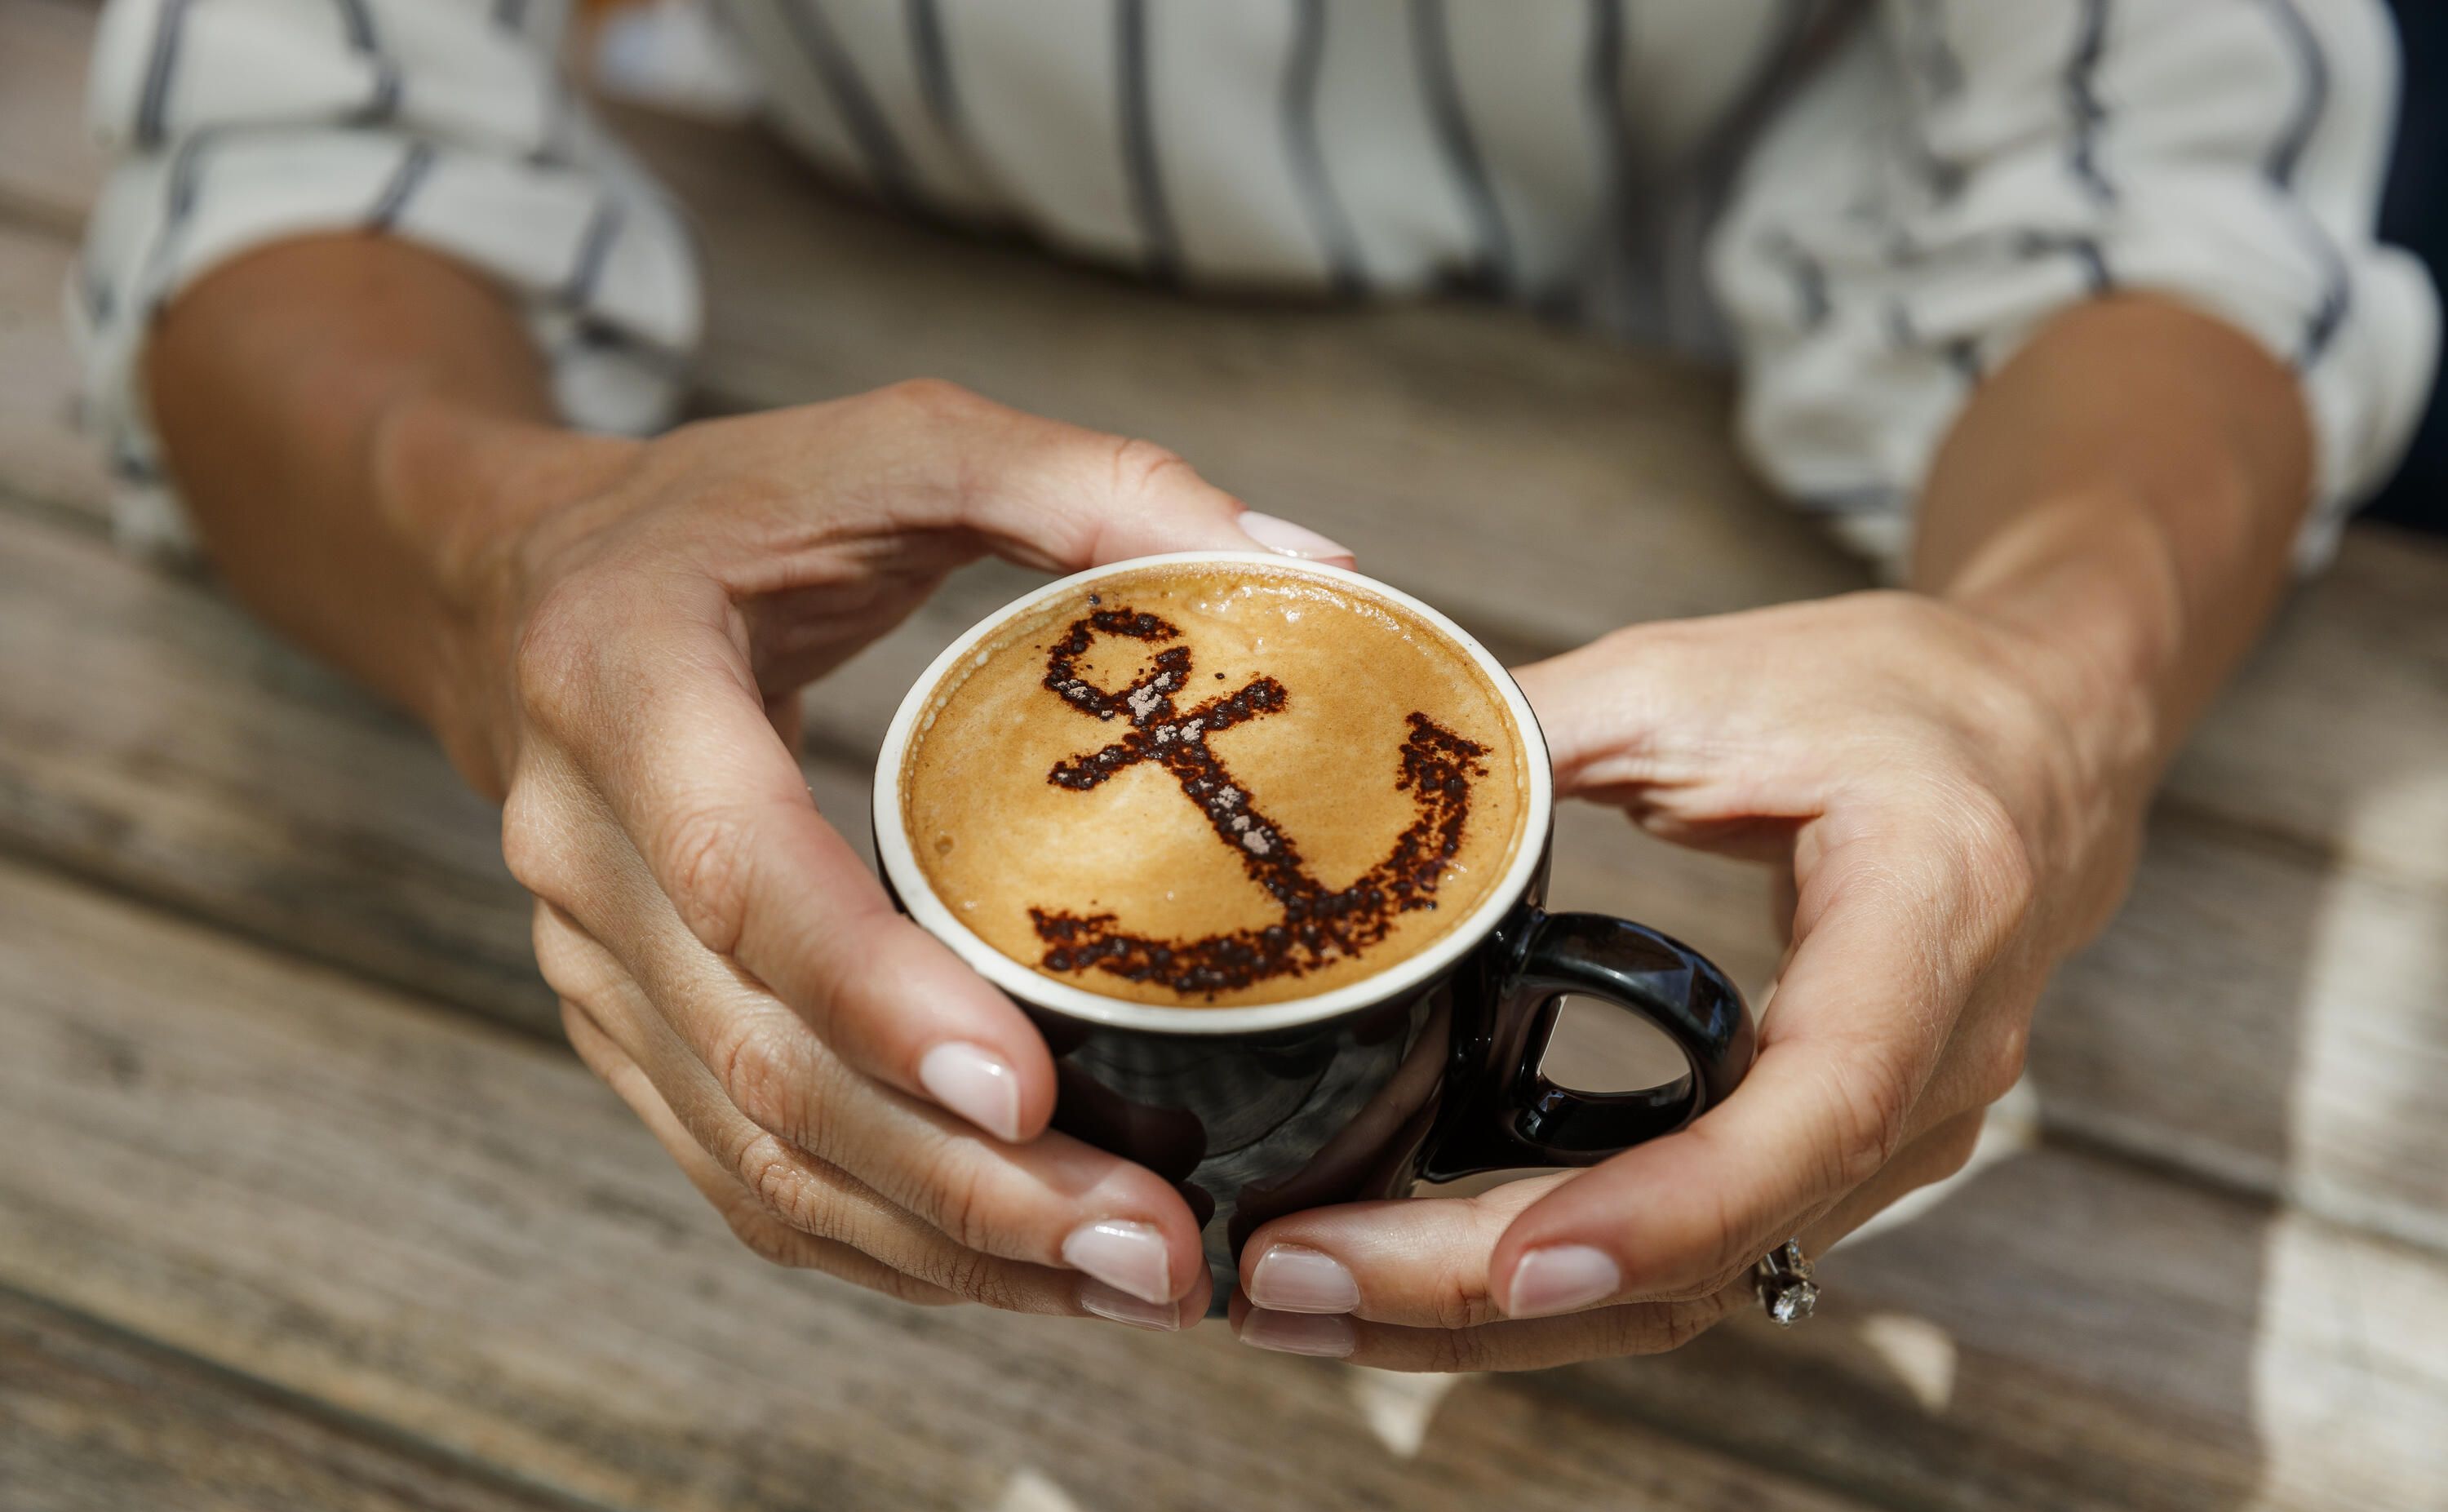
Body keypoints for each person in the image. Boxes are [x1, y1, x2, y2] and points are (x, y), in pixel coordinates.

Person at [73, 0, 2436, 1369]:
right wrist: (504, 561)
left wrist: (2045, 677)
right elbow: (289, 142)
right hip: (850, 259)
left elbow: (2171, 208)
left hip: (1723, 383)